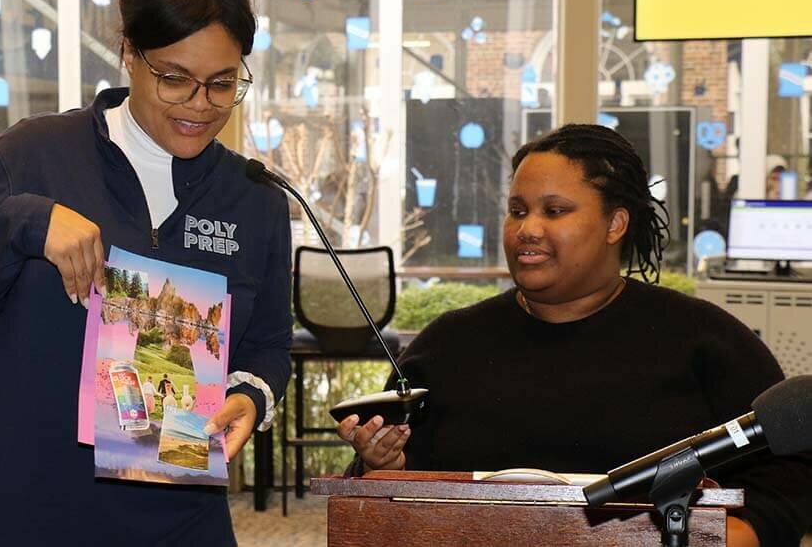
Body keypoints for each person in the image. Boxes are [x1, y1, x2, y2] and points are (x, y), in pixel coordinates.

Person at [337, 125, 812, 546]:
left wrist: (724, 537)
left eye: (555, 210)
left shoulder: (707, 343)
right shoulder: (446, 347)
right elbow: (393, 494)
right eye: (517, 210)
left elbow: (787, 477)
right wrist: (384, 467)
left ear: (615, 224)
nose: (528, 229)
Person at [0, 0, 292, 544]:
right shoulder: (29, 156)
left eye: (222, 84)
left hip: (179, 518)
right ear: (128, 56)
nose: (200, 105)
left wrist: (249, 395)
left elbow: (266, 344)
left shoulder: (255, 197)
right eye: (175, 80)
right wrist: (20, 222)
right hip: (24, 510)